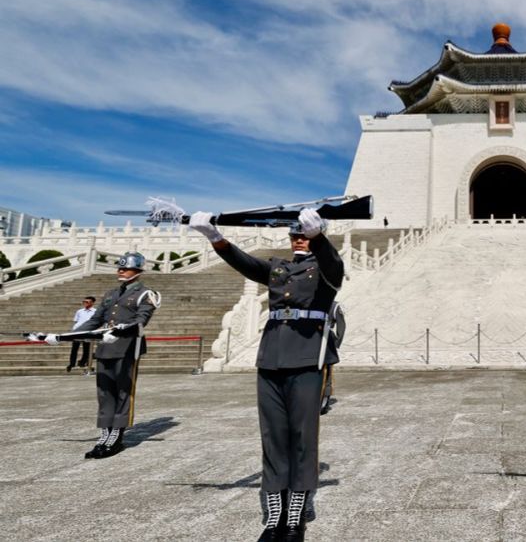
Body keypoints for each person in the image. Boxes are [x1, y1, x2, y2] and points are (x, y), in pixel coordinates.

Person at [189, 209, 343, 542]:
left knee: (302, 438)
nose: (299, 237)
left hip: (306, 358)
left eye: (304, 233)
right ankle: (275, 516)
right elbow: (245, 263)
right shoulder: (278, 267)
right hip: (271, 359)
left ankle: (295, 517)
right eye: (295, 234)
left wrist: (320, 238)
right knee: (273, 437)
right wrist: (214, 237)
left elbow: (334, 266)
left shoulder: (325, 268)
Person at [38, 253, 160, 459]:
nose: (120, 271)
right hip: (105, 348)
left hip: (127, 348)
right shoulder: (111, 294)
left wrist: (121, 330)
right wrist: (63, 336)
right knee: (104, 393)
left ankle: (116, 436)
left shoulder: (145, 293)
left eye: (125, 268)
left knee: (123, 392)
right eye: (119, 268)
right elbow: (94, 321)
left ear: (137, 271)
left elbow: (141, 320)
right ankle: (105, 433)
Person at [67, 296, 96, 373]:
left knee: (86, 349)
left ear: (92, 303)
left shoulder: (95, 312)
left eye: (87, 302)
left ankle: (83, 362)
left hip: (87, 332)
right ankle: (72, 364)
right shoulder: (79, 311)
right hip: (77, 331)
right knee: (74, 348)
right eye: (84, 302)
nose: (85, 303)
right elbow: (76, 321)